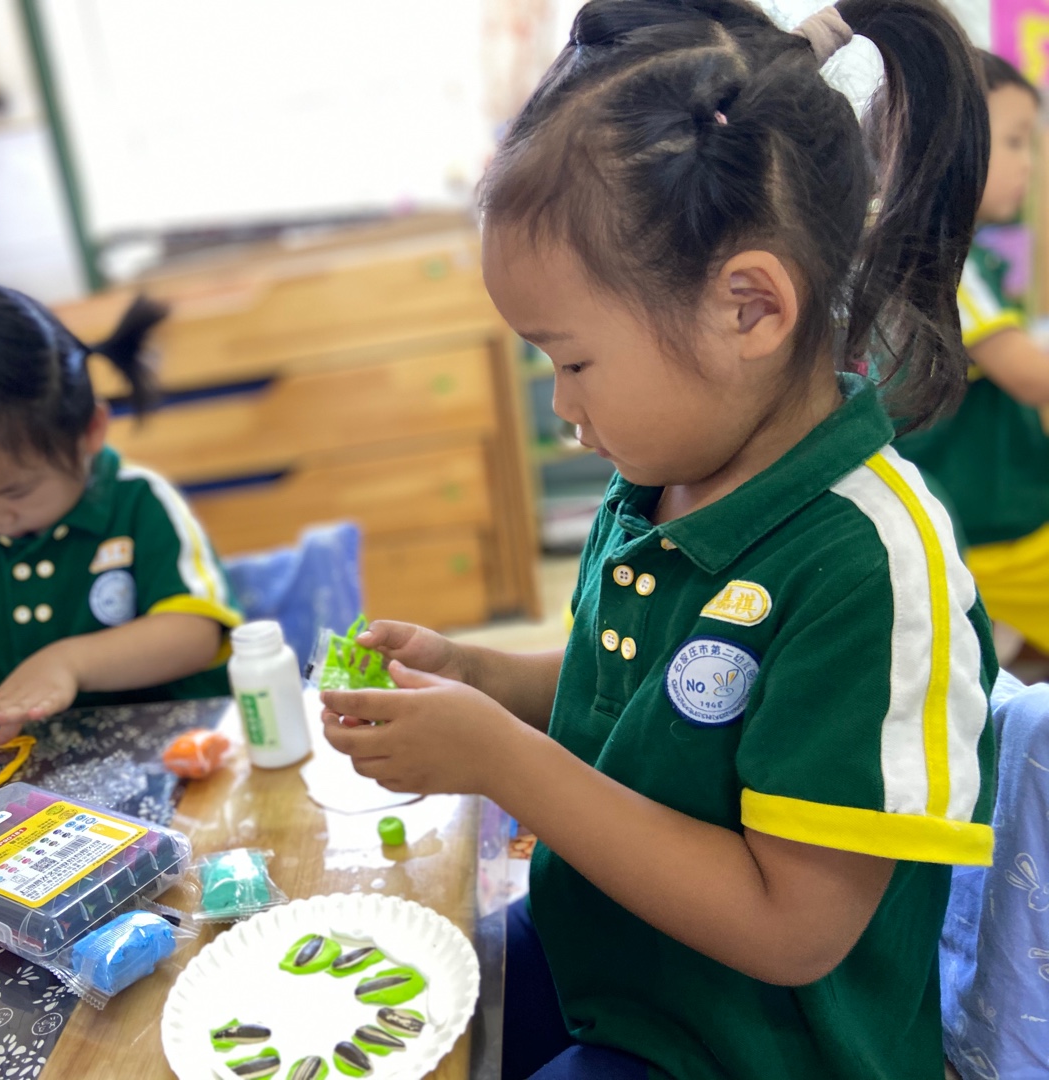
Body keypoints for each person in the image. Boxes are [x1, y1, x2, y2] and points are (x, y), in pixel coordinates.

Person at [320, 2, 995, 1077]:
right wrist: (481, 677)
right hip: (623, 956)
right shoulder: (663, 476)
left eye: (574, 362)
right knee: (385, 1012)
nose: (562, 408)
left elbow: (792, 929)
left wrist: (502, 762)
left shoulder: (871, 566)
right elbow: (646, 696)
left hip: (753, 1052)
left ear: (749, 309)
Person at [0, 252, 241, 756]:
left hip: (171, 757)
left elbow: (196, 633)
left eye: (15, 492)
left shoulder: (139, 503)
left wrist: (68, 663)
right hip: (13, 771)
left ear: (89, 431)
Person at [896, 50, 1049, 655]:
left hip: (990, 508)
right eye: (1014, 141)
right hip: (995, 524)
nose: (1028, 162)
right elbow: (1032, 377)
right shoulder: (945, 261)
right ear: (951, 143)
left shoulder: (955, 252)